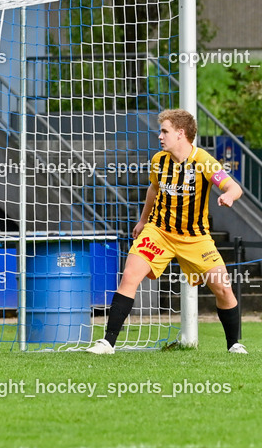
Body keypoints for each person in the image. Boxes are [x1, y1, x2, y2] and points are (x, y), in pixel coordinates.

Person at [89, 109, 247, 354]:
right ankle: (107, 343)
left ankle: (234, 345)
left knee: (223, 288)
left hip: (195, 238)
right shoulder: (158, 160)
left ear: (181, 134)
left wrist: (228, 195)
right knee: (130, 276)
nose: (160, 136)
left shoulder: (203, 160)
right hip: (159, 232)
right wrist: (143, 222)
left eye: (165, 131)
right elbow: (153, 189)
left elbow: (233, 187)